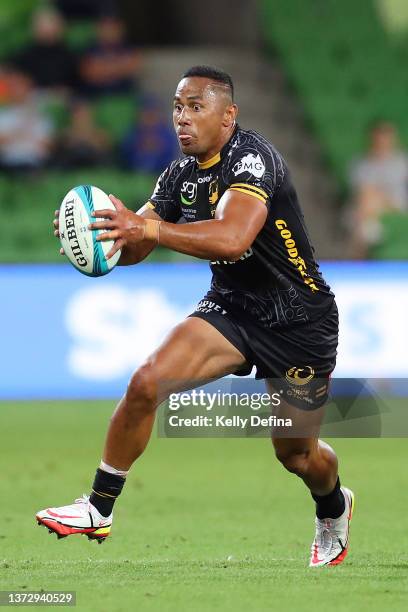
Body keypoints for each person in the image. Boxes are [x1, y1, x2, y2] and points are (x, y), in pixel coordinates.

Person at [37, 66, 354, 567]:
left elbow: (232, 238)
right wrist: (105, 233)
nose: (182, 119)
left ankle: (334, 506)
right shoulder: (179, 174)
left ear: (228, 116)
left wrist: (149, 230)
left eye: (195, 107)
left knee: (296, 455)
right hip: (231, 308)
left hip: (299, 321)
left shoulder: (252, 160)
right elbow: (138, 243)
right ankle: (98, 507)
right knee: (145, 382)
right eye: (177, 107)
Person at [348, 120, 408, 258]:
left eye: (387, 137)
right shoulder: (360, 163)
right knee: (366, 202)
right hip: (370, 204)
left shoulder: (403, 162)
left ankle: (363, 246)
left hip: (398, 203)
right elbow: (361, 191)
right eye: (380, 136)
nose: (383, 141)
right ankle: (369, 235)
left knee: (366, 206)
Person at [11, 7, 78, 95]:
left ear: (60, 28)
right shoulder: (24, 55)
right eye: (42, 26)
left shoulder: (71, 56)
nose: (47, 30)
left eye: (51, 25)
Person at [0, 67, 54, 172]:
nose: (16, 91)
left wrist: (13, 136)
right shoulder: (3, 114)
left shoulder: (41, 114)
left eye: (20, 87)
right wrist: (21, 132)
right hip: (6, 161)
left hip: (34, 161)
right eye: (13, 87)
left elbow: (47, 144)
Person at [79, 13, 141, 98]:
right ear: (99, 29)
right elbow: (90, 74)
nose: (109, 31)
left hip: (126, 92)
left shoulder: (128, 47)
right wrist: (120, 66)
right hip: (95, 95)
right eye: (106, 27)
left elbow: (133, 67)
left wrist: (103, 67)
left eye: (113, 27)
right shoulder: (90, 49)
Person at [121, 96, 177, 173]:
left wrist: (157, 146)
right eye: (146, 114)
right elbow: (125, 151)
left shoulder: (167, 134)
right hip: (133, 174)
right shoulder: (134, 132)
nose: (149, 118)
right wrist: (140, 144)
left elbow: (170, 155)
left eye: (153, 114)